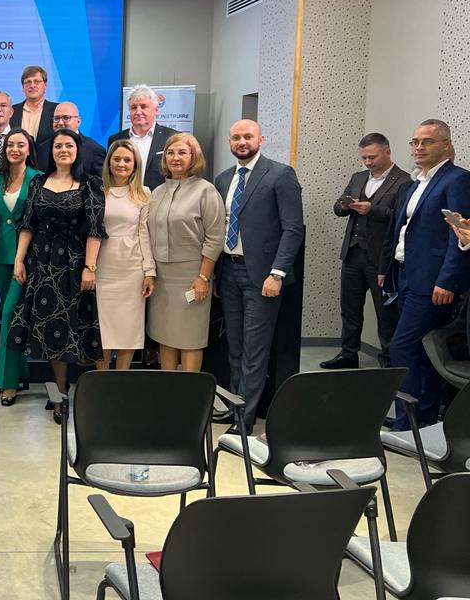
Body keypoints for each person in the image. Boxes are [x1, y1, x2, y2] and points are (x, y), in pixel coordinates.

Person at [8, 130, 105, 423]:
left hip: (73, 265)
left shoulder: (90, 184)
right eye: (58, 146)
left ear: (77, 150)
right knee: (50, 327)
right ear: (51, 151)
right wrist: (19, 260)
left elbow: (95, 230)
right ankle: (60, 392)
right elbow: (28, 224)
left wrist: (90, 267)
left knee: (71, 326)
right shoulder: (38, 182)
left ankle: (80, 393)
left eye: (69, 145)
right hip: (42, 263)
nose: (63, 150)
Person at [214, 120, 303, 433]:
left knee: (255, 349)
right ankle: (234, 407)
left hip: (263, 276)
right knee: (235, 347)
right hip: (228, 271)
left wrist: (277, 273)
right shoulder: (223, 178)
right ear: (230, 141)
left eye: (248, 136)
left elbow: (292, 229)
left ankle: (246, 418)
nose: (242, 142)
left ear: (260, 139)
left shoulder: (280, 174)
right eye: (236, 137)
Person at [380, 119, 470, 430]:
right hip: (406, 274)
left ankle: (409, 421)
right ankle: (422, 418)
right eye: (415, 142)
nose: (419, 147)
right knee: (420, 349)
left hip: (432, 281)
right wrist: (388, 268)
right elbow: (403, 230)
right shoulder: (416, 183)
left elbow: (459, 235)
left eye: (427, 142)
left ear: (446, 145)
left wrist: (447, 279)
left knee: (402, 346)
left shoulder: (457, 180)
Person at [321, 133, 409, 369]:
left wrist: (373, 210)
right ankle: (348, 353)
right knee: (349, 309)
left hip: (381, 258)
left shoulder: (404, 181)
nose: (368, 162)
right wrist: (344, 205)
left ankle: (389, 361)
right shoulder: (358, 177)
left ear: (387, 151)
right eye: (364, 158)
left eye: (373, 157)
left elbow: (401, 218)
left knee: (386, 314)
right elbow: (338, 206)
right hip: (352, 253)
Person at [147, 133, 226, 372]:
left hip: (192, 275)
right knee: (165, 336)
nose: (175, 158)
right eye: (170, 153)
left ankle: (190, 391)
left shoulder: (206, 191)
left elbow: (215, 238)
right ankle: (169, 388)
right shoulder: (157, 192)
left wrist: (203, 277)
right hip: (161, 277)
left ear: (194, 157)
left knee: (190, 339)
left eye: (182, 153)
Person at [93, 139, 156, 370]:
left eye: (127, 160)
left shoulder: (144, 193)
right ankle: (101, 382)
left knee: (128, 330)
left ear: (135, 164)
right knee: (103, 329)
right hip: (102, 267)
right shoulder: (97, 191)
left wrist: (149, 271)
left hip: (132, 270)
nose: (121, 164)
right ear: (109, 163)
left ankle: (121, 380)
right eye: (117, 159)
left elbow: (145, 234)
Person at [0, 128, 40, 405]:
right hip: (0, 256)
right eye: (10, 145)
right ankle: (20, 372)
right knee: (14, 316)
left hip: (27, 257)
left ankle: (8, 383)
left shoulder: (38, 179)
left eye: (21, 145)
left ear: (29, 149)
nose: (15, 149)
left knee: (10, 313)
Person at [107, 85, 177, 191]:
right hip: (124, 198)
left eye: (144, 106)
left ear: (156, 109)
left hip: (159, 198)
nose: (138, 112)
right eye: (134, 107)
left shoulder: (171, 138)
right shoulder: (116, 140)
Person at [34, 101, 106, 176]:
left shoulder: (94, 149)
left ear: (78, 121)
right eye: (57, 118)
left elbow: (104, 180)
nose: (60, 123)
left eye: (66, 118)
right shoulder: (43, 148)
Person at [11, 65, 57, 143]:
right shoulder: (11, 111)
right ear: (23, 87)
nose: (32, 85)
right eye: (28, 82)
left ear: (45, 85)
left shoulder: (57, 110)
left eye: (37, 81)